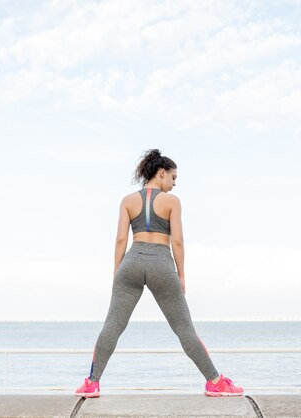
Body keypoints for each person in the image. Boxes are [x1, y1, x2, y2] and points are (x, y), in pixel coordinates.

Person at [75, 149, 243, 398]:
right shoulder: (172, 202)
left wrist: (117, 270)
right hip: (162, 265)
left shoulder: (127, 201)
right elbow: (178, 242)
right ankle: (215, 381)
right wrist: (181, 274)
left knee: (112, 327)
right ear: (161, 173)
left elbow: (121, 238)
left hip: (130, 263)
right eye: (173, 177)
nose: (174, 183)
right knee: (184, 330)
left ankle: (91, 383)